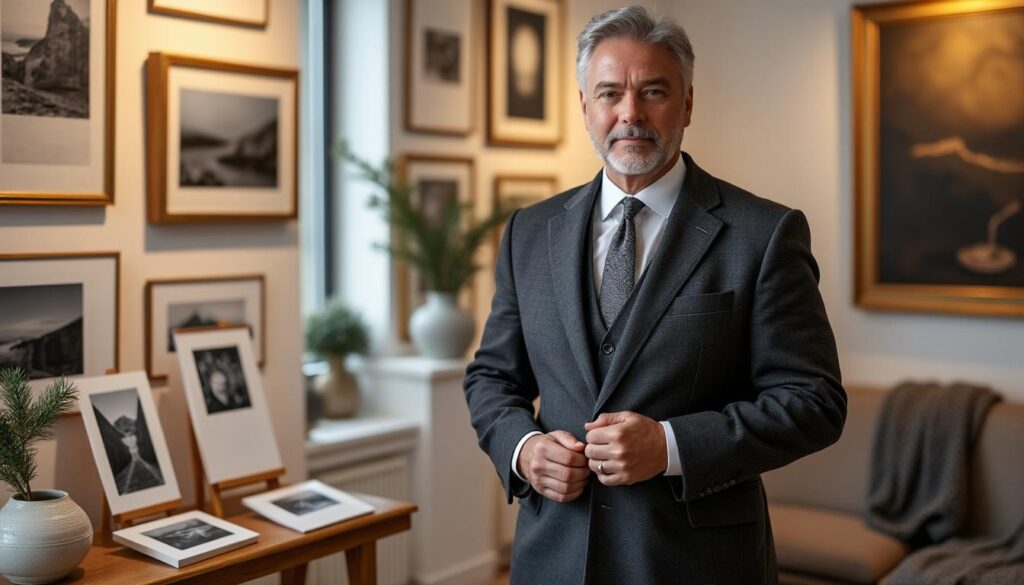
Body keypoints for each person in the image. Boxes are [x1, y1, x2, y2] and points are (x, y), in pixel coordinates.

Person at [463, 5, 846, 584]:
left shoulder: (764, 234)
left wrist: (669, 446)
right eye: (610, 92)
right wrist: (522, 449)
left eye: (654, 92)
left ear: (688, 103)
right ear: (585, 106)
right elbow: (492, 377)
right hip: (553, 557)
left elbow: (814, 402)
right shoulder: (529, 231)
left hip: (699, 564)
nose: (630, 114)